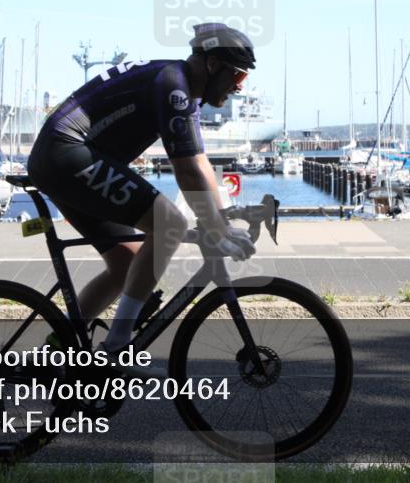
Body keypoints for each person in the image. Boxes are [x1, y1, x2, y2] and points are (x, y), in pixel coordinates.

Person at [27, 22, 258, 354]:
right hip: (65, 152)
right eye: (237, 76)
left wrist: (221, 221)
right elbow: (188, 173)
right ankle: (118, 344)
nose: (239, 87)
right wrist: (217, 229)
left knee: (126, 264)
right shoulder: (173, 86)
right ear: (212, 65)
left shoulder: (182, 89)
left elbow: (201, 163)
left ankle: (55, 351)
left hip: (62, 158)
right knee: (169, 225)